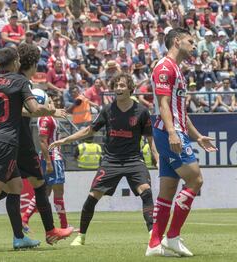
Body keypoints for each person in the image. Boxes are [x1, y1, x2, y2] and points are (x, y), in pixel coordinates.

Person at [0, 44, 73, 248]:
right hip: (17, 139)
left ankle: (13, 234)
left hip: (3, 137)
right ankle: (50, 230)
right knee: (37, 183)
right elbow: (20, 110)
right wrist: (49, 111)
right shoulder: (19, 81)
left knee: (11, 187)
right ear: (31, 64)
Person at [49, 72, 157, 250]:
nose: (118, 89)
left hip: (133, 160)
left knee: (146, 192)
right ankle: (81, 235)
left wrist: (156, 156)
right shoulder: (107, 110)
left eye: (122, 85)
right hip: (111, 161)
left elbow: (150, 137)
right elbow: (89, 130)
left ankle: (153, 234)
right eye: (116, 86)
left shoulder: (142, 111)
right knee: (92, 197)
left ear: (131, 88)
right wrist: (64, 140)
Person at [147, 28, 217, 257]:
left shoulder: (176, 69)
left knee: (167, 190)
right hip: (170, 133)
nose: (194, 45)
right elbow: (164, 104)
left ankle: (154, 244)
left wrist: (197, 136)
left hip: (175, 130)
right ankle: (173, 236)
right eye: (190, 41)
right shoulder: (165, 67)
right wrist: (172, 133)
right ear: (177, 41)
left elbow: (180, 110)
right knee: (195, 179)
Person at [37, 93, 68, 229]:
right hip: (53, 158)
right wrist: (49, 162)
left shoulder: (51, 118)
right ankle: (64, 225)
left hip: (52, 157)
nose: (54, 104)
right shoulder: (45, 119)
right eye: (51, 101)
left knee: (46, 191)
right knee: (58, 191)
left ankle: (25, 219)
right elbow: (42, 141)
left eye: (56, 101)